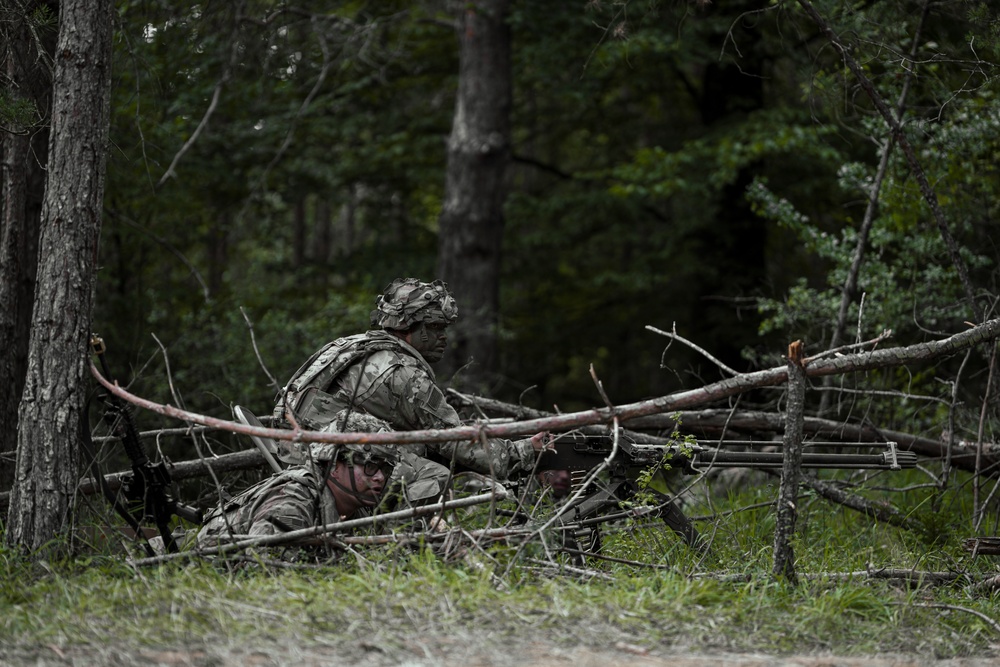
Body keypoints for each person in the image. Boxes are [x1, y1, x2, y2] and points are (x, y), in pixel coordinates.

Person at [272, 277, 548, 505]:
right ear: (407, 327)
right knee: (438, 478)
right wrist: (520, 451)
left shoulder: (356, 346)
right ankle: (403, 541)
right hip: (326, 462)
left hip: (302, 452)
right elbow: (455, 441)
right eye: (434, 328)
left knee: (420, 453)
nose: (443, 337)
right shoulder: (403, 373)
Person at [197, 411, 399, 547]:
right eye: (371, 466)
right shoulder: (292, 502)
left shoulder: (358, 511)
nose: (380, 477)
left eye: (385, 468)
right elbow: (266, 571)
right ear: (333, 464)